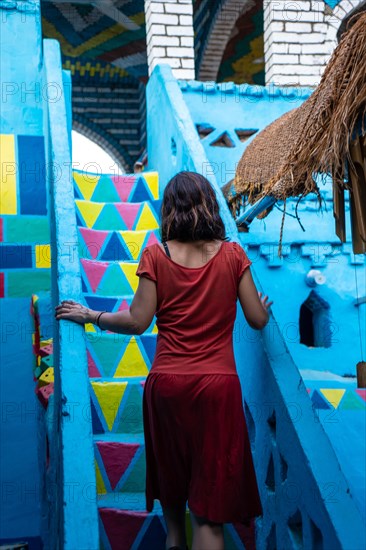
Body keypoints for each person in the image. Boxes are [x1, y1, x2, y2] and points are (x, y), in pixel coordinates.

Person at [55, 171, 273, 550]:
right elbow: (256, 319)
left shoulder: (156, 254)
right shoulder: (234, 254)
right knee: (208, 521)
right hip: (217, 390)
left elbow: (139, 322)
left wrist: (92, 316)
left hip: (168, 388)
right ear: (208, 204)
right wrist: (265, 309)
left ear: (169, 209)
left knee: (174, 517)